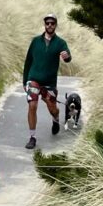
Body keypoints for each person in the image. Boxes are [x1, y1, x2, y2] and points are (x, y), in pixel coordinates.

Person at [23, 12, 71, 150]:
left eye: (52, 23)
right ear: (44, 24)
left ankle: (55, 120)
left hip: (49, 82)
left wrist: (66, 57)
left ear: (55, 25)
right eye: (47, 23)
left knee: (53, 109)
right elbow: (28, 61)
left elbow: (67, 57)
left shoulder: (60, 43)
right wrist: (24, 81)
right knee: (32, 105)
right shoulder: (35, 41)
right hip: (33, 79)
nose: (49, 25)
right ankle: (32, 137)